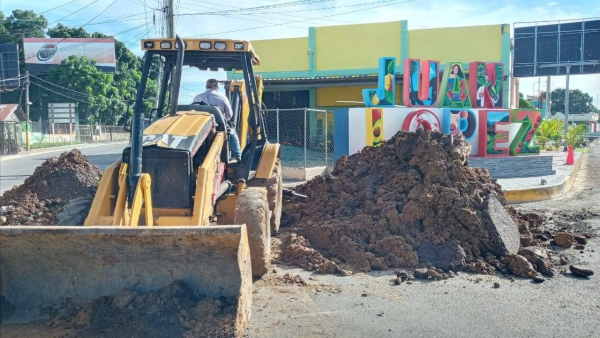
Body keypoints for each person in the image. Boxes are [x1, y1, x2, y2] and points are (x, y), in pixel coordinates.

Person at [193, 79, 242, 162]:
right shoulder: (222, 97)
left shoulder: (197, 97)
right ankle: (239, 157)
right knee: (233, 135)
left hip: (200, 126)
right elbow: (229, 114)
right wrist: (224, 120)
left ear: (206, 86)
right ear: (217, 87)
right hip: (218, 126)